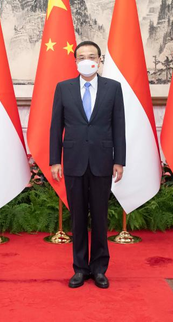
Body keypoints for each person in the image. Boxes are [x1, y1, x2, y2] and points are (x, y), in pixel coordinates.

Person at [50, 40, 126, 289]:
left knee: (101, 218)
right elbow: (55, 128)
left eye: (91, 55)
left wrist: (119, 160)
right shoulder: (63, 88)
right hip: (73, 162)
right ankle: (80, 269)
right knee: (79, 218)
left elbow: (119, 126)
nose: (86, 60)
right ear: (75, 61)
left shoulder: (113, 88)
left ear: (99, 59)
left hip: (103, 162)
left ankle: (100, 268)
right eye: (81, 56)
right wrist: (54, 160)